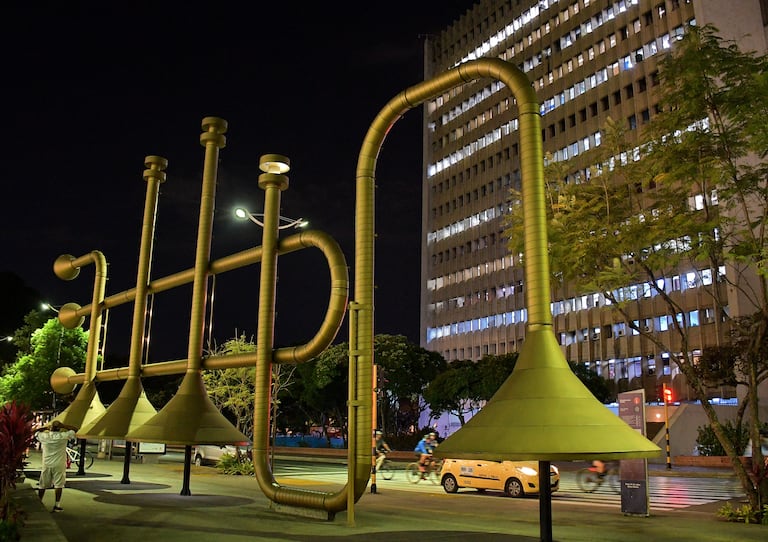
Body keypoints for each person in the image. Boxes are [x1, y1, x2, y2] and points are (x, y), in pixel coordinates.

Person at [35, 419, 78, 512]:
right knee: (59, 484)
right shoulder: (63, 436)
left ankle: (38, 503)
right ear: (59, 429)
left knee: (42, 484)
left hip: (46, 463)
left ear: (51, 429)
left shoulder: (44, 436)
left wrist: (46, 427)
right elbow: (75, 429)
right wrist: (63, 425)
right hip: (59, 464)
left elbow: (35, 432)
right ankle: (57, 505)